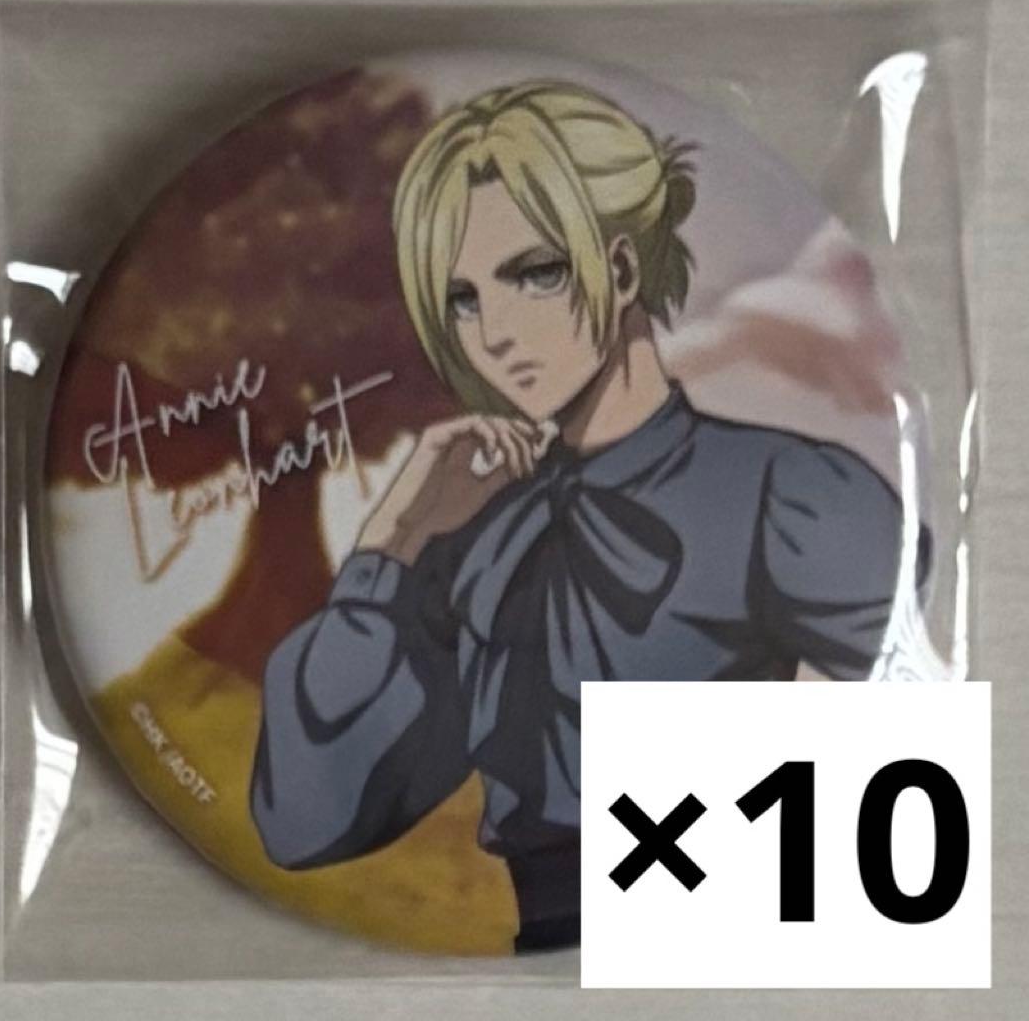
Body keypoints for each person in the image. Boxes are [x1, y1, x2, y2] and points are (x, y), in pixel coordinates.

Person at [250, 80, 930, 951]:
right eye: (462, 299)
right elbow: (306, 820)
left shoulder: (781, 488)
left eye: (533, 273)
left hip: (745, 944)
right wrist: (393, 541)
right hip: (536, 974)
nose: (493, 333)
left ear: (621, 270)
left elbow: (903, 719)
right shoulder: (475, 539)